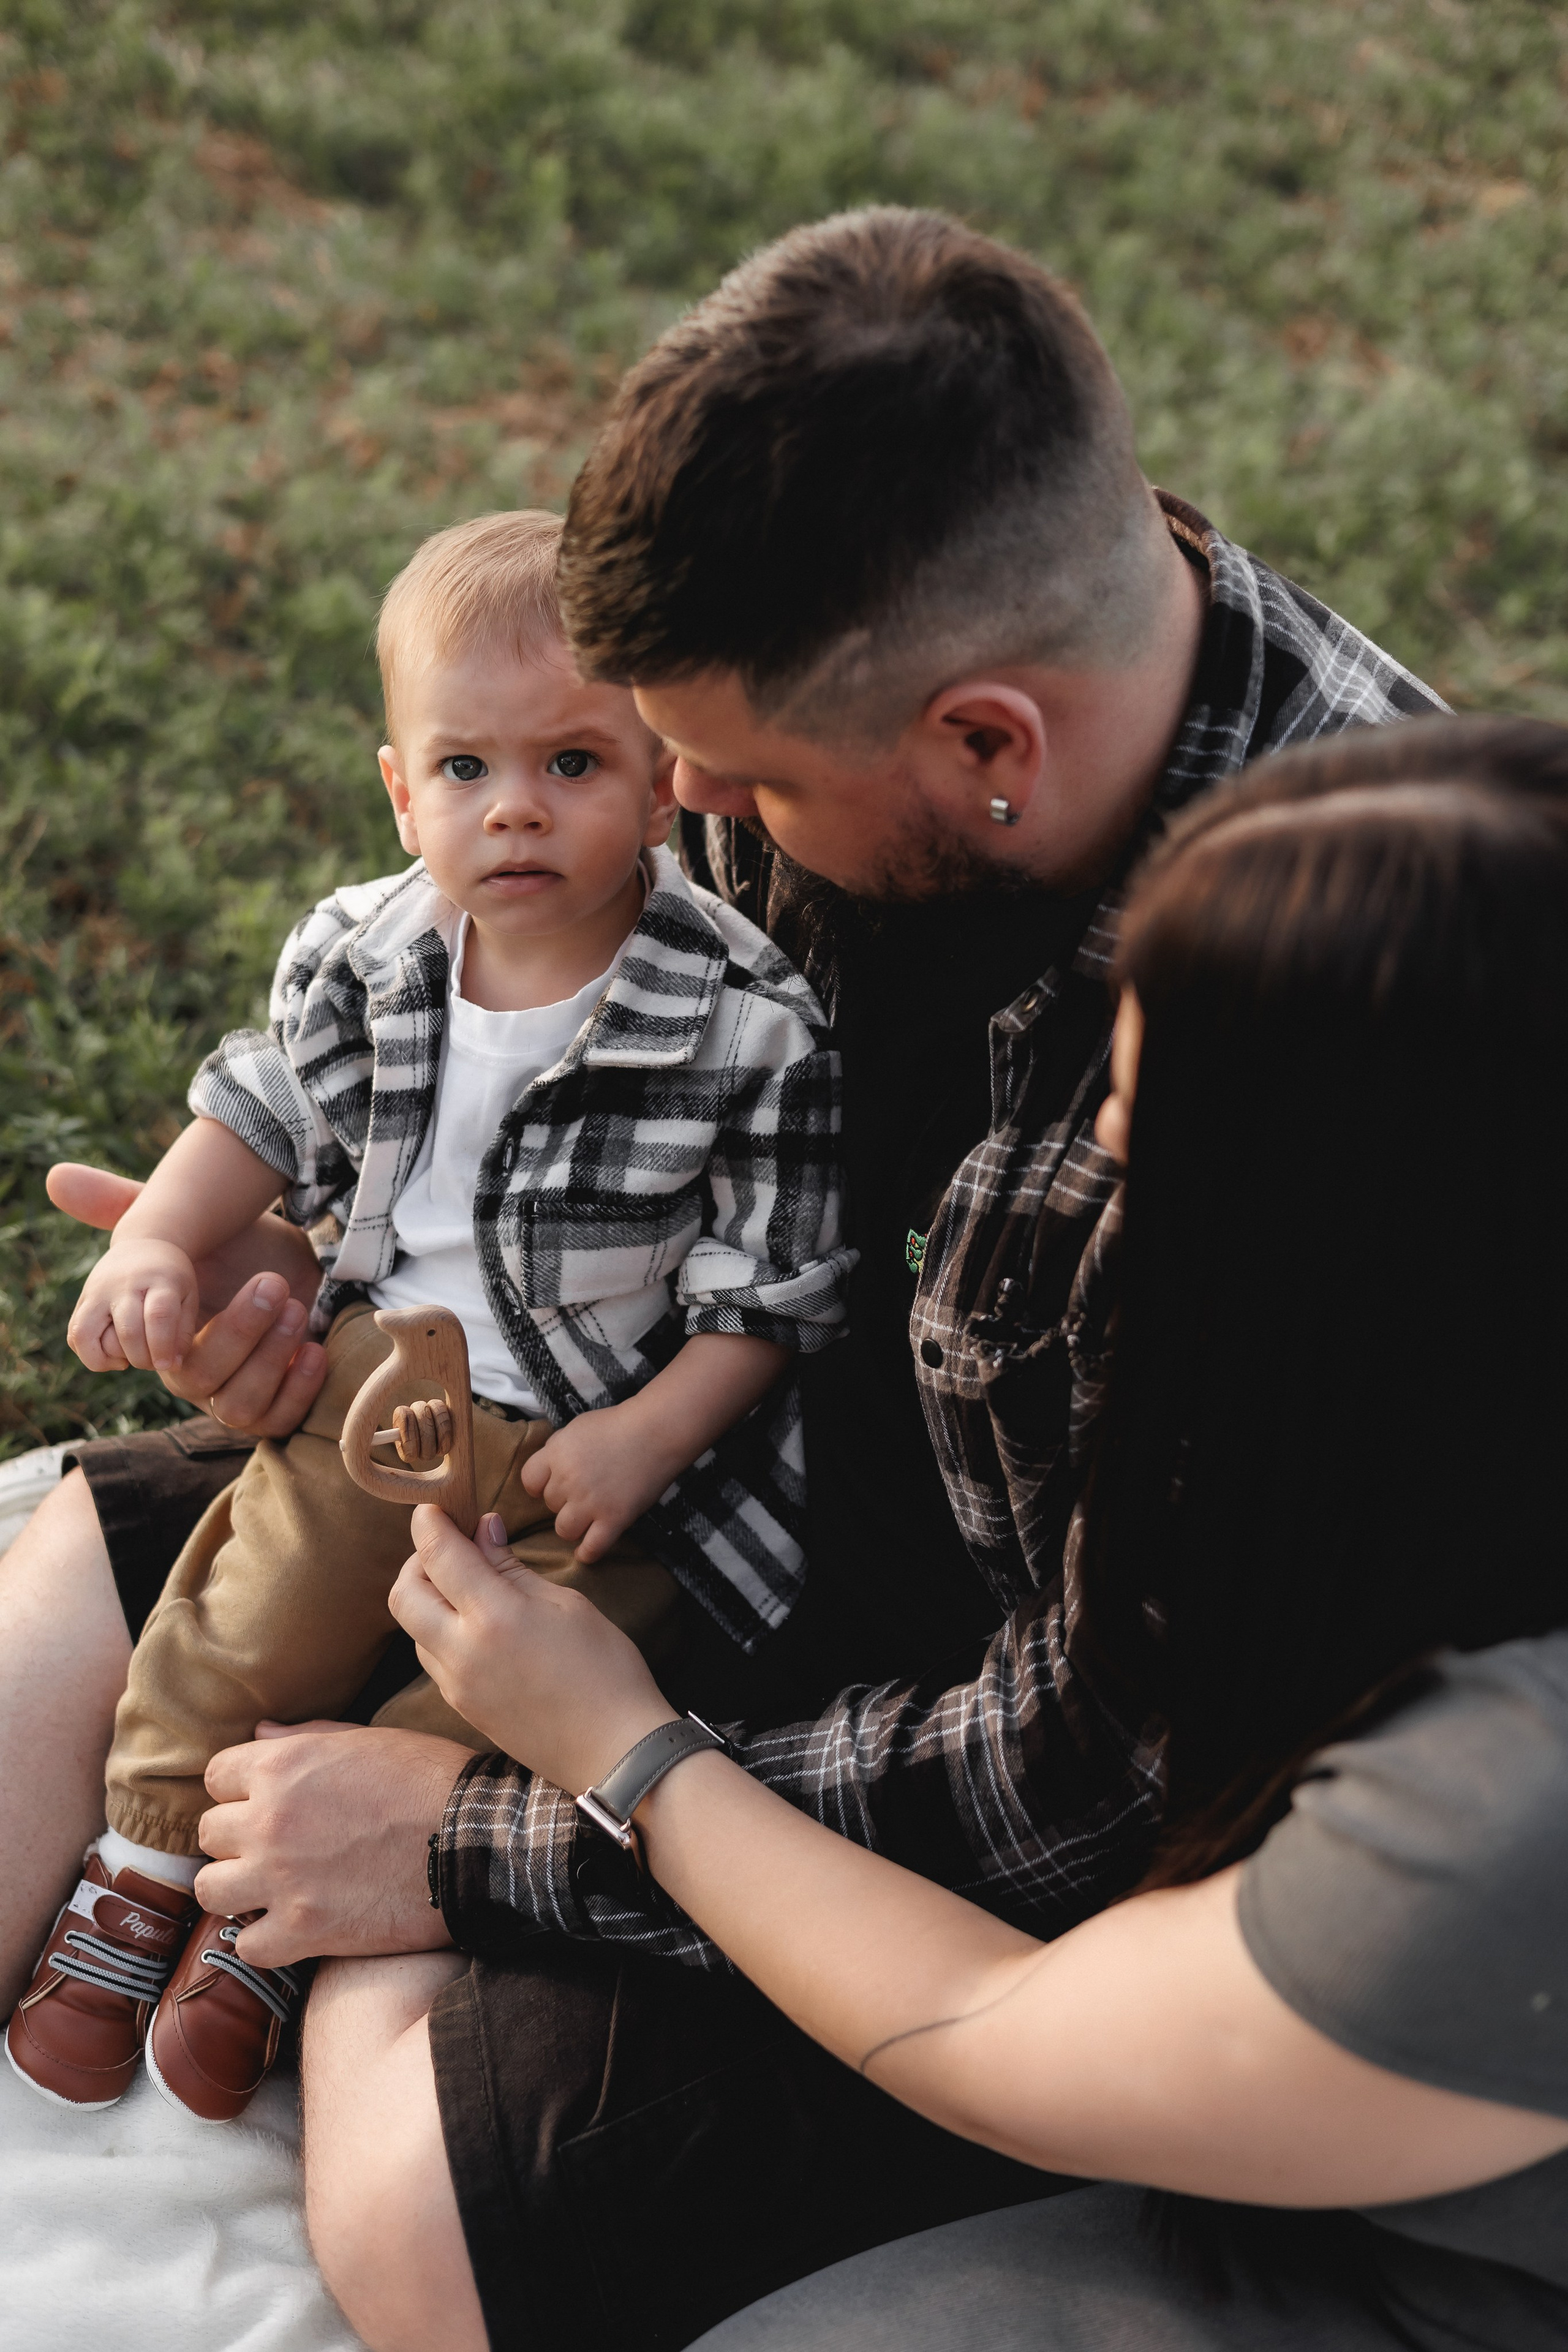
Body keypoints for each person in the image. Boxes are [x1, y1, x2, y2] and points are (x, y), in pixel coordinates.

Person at [0, 204, 1457, 2337]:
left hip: (1026, 1710)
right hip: (693, 1442)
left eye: (735, 781)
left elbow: (1094, 1785)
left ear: (987, 750)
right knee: (59, 1603)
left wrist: (490, 1822)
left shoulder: (1299, 1083)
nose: (667, 821)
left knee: (421, 2215)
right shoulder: (948, 657)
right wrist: (331, 1277)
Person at [380, 744, 1568, 2352]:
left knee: (436, 2235)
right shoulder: (1465, 1420)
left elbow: (993, 2033)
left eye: (1143, 1138)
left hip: (1427, 2258)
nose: (1105, 1182)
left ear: (1351, 1258)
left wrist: (615, 1757)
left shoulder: (1508, 1819)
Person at [6, 508, 851, 2122]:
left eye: (575, 766)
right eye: (466, 769)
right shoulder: (368, 957)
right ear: (401, 788)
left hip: (590, 1463)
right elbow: (259, 1116)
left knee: (479, 1693)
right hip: (374, 1399)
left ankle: (259, 1942)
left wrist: (646, 1440)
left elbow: (772, 1292)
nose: (516, 808)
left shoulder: (742, 1024)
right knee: (249, 1610)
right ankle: (138, 1873)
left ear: (664, 780)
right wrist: (166, 1248)